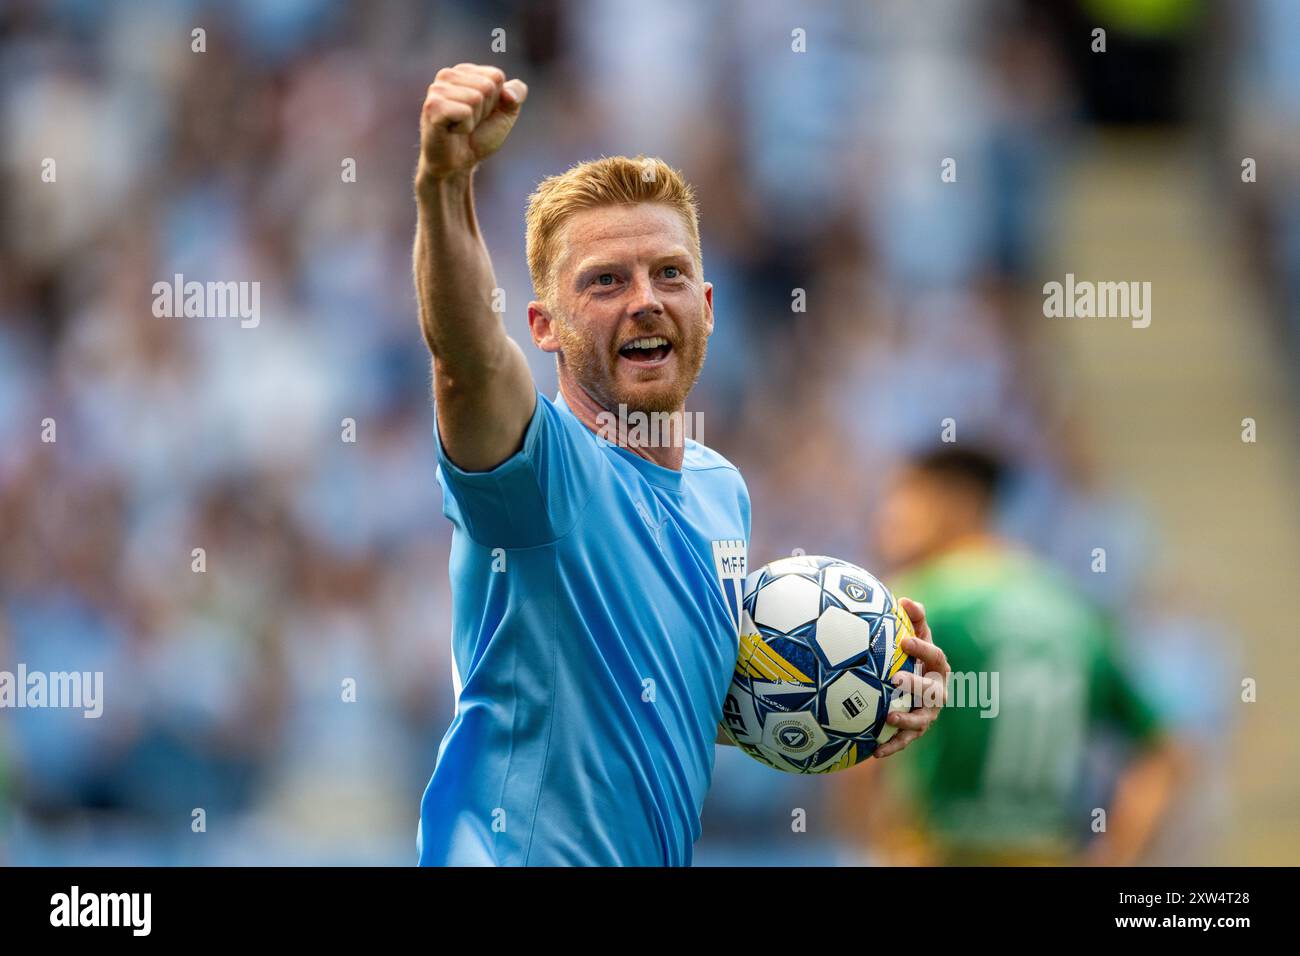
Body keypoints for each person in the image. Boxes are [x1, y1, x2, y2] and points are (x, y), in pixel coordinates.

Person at [410, 63, 949, 865]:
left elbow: (670, 697)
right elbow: (466, 359)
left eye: (668, 273)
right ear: (544, 326)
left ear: (706, 305)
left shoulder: (718, 491)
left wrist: (864, 691)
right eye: (604, 282)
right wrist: (443, 185)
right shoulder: (538, 473)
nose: (644, 299)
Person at [836, 446, 1181, 866]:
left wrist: (875, 846)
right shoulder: (1071, 608)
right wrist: (1115, 855)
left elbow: (857, 745)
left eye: (904, 497)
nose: (887, 517)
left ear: (958, 502)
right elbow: (1164, 750)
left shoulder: (917, 604)